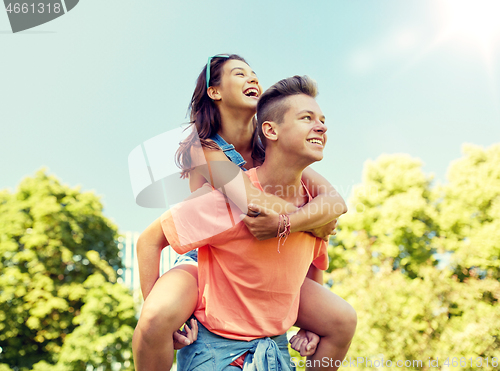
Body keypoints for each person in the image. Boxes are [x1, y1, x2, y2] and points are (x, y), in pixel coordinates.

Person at [132, 56, 356, 370]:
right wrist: (313, 220)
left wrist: (301, 221)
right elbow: (252, 200)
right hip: (207, 256)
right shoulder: (204, 147)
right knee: (155, 318)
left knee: (342, 319)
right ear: (215, 92)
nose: (253, 79)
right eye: (240, 74)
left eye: (255, 74)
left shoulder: (273, 147)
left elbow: (335, 201)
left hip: (270, 255)